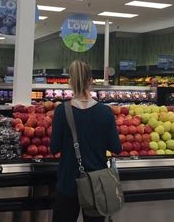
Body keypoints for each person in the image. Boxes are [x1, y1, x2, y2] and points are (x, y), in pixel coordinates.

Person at [50, 60, 121, 222]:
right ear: (91, 81)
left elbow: (53, 148)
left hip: (68, 183)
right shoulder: (105, 112)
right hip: (97, 185)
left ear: (70, 82)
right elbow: (116, 147)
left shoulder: (62, 111)